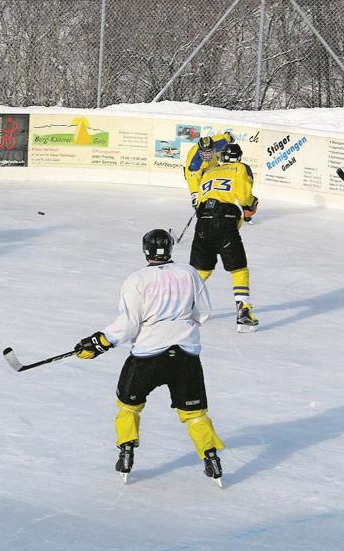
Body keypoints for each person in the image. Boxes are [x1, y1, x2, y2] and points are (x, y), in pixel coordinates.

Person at [74, 229, 225, 487]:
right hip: (185, 356)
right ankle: (211, 457)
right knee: (195, 413)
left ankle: (126, 453)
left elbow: (129, 324)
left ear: (145, 250)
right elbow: (203, 313)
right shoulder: (189, 273)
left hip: (148, 357)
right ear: (170, 249)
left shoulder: (136, 280)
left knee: (129, 406)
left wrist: (100, 342)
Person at [189, 142, 259, 332]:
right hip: (225, 220)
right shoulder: (241, 168)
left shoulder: (209, 171)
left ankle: (182, 306)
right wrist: (252, 204)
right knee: (238, 269)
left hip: (203, 221)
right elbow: (244, 198)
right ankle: (243, 311)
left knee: (201, 270)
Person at [183, 132, 233, 210]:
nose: (207, 155)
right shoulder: (194, 162)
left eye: (210, 152)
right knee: (205, 190)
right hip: (199, 172)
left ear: (213, 147)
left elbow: (225, 137)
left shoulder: (219, 143)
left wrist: (229, 137)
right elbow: (192, 179)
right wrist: (195, 195)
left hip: (213, 166)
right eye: (204, 153)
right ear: (200, 151)